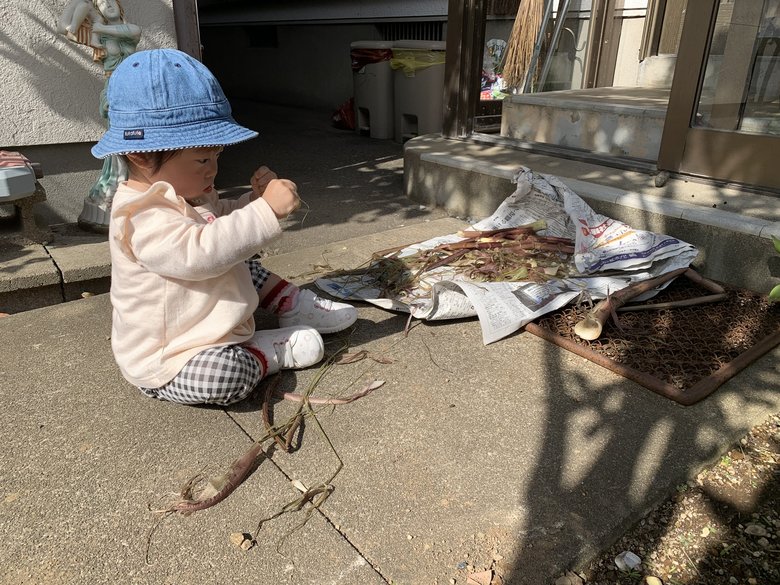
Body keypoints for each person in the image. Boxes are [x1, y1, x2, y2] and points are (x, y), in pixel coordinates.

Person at [91, 48, 358, 405]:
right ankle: (265, 354)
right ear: (141, 155)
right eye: (203, 158)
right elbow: (201, 253)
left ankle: (290, 303)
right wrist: (265, 213)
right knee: (223, 378)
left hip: (209, 312)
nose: (213, 170)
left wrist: (252, 201)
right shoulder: (141, 214)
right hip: (172, 356)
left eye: (217, 156)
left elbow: (220, 217)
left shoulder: (186, 191)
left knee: (243, 261)